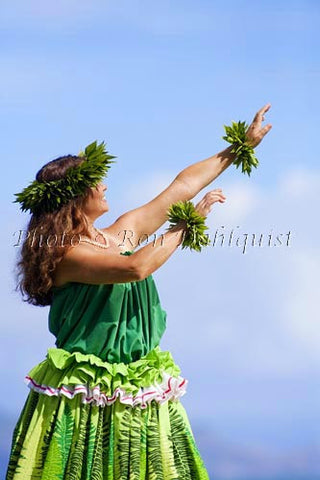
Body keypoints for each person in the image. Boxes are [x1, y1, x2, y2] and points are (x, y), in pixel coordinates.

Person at [6, 104, 272, 479]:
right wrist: (187, 222)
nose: (104, 185)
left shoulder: (121, 234)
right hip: (86, 394)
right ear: (76, 197)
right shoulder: (68, 255)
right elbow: (136, 268)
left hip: (141, 386)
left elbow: (180, 186)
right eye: (95, 181)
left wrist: (240, 146)